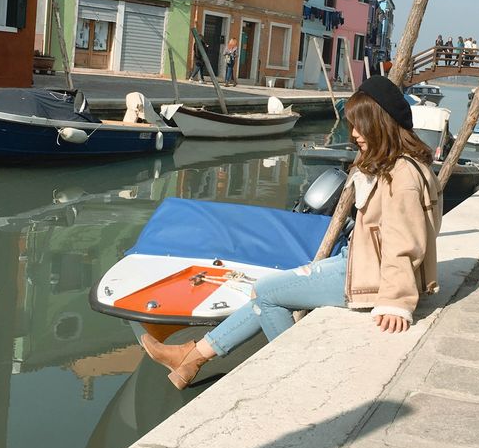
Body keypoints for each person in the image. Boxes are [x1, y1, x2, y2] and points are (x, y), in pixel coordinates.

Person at [139, 76, 443, 389]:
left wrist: (397, 301)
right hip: (357, 262)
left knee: (268, 294)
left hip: (369, 275)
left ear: (380, 124)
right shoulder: (400, 164)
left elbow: (404, 242)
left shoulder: (402, 174)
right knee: (267, 288)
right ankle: (190, 358)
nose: (353, 134)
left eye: (359, 125)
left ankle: (290, 375)